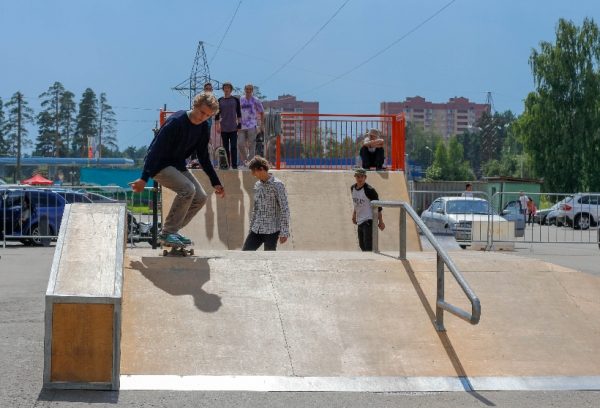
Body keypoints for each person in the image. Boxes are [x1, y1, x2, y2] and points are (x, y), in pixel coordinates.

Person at [129, 92, 225, 247]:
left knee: (200, 197)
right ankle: (167, 233)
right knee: (188, 189)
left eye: (208, 115)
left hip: (176, 165)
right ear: (195, 106)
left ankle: (172, 231)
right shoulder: (176, 121)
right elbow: (155, 150)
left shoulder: (203, 128)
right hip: (158, 164)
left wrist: (215, 182)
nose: (202, 117)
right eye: (201, 112)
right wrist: (144, 178)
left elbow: (203, 157)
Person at [242, 155, 290, 251]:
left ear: (261, 169)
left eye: (254, 171)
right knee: (245, 254)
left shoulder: (277, 185)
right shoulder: (257, 185)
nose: (253, 174)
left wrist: (284, 232)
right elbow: (256, 209)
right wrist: (251, 228)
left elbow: (284, 209)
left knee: (269, 258)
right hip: (256, 229)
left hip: (272, 230)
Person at [351, 168, 385, 251]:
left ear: (365, 177)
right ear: (355, 177)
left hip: (369, 221)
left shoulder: (370, 190)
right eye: (358, 177)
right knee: (362, 245)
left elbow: (378, 207)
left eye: (361, 177)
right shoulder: (353, 188)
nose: (359, 179)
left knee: (368, 245)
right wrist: (354, 215)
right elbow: (356, 203)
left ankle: (372, 260)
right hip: (360, 220)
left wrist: (380, 221)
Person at [215, 82, 241, 169]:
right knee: (225, 148)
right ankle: (226, 165)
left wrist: (239, 124)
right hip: (224, 127)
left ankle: (234, 165)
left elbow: (239, 113)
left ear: (231, 89)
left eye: (228, 88)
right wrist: (217, 126)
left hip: (233, 127)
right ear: (223, 89)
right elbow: (217, 115)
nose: (226, 89)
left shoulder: (235, 100)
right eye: (225, 88)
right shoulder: (219, 100)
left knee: (233, 146)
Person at [238, 84, 264, 166]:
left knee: (252, 145)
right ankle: (246, 160)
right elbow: (238, 111)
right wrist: (237, 122)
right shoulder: (241, 99)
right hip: (242, 125)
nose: (248, 91)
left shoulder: (256, 100)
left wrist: (261, 125)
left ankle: (249, 164)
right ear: (244, 90)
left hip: (252, 125)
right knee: (240, 143)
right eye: (247, 89)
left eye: (250, 89)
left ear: (252, 90)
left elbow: (262, 112)